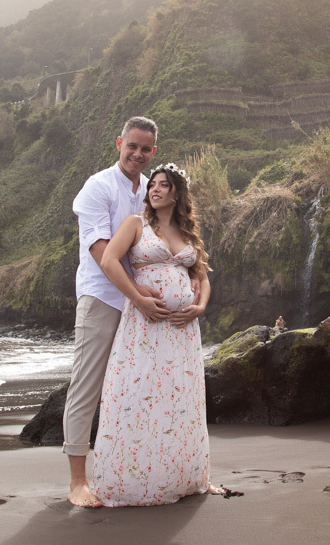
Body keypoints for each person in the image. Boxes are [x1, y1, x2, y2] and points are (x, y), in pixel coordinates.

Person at [92, 162, 224, 506]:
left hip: (182, 332)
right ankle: (134, 480)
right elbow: (108, 260)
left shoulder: (188, 234)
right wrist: (138, 299)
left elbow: (204, 278)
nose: (155, 189)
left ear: (176, 192)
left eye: (164, 185)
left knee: (179, 400)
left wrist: (200, 307)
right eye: (153, 184)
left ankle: (183, 475)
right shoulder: (136, 224)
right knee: (139, 395)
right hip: (145, 326)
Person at [64, 116, 172, 508]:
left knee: (133, 388)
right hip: (102, 299)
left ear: (154, 152)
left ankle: (130, 469)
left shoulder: (150, 190)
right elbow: (100, 251)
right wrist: (137, 297)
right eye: (132, 146)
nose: (138, 154)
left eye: (146, 149)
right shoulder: (98, 186)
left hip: (139, 306)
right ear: (119, 143)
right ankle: (78, 481)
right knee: (87, 386)